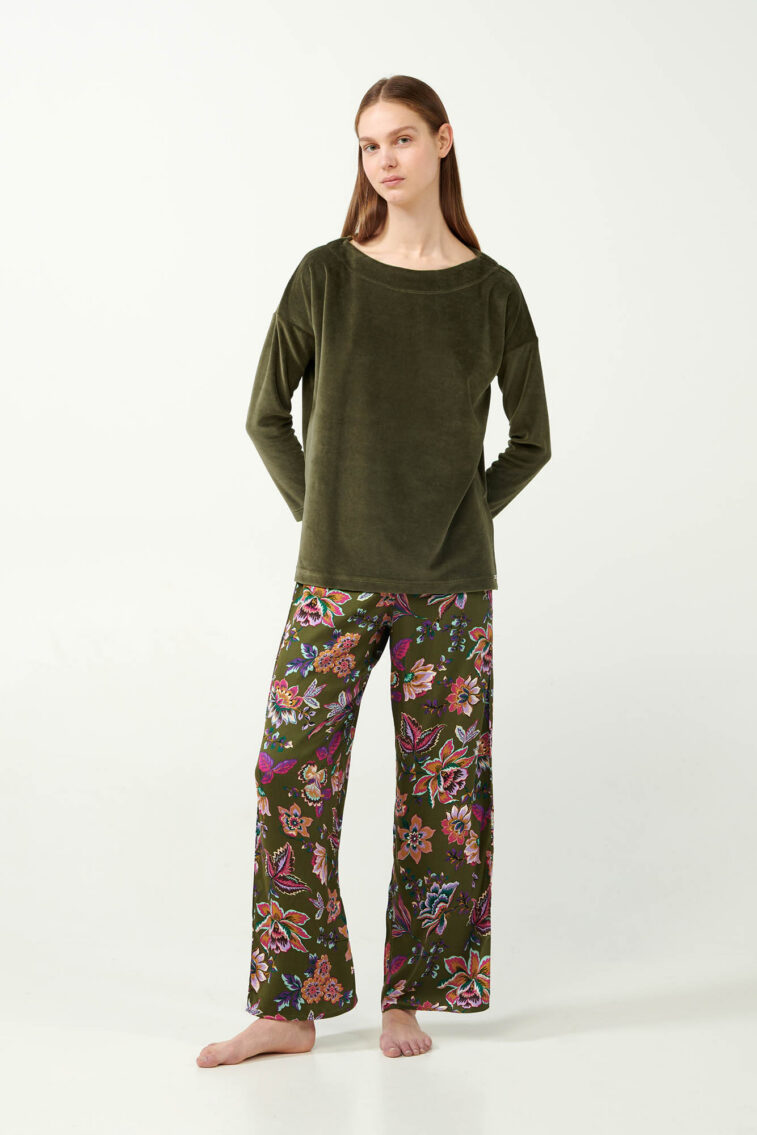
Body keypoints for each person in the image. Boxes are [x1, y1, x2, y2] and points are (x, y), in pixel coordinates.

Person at [197, 73, 551, 1067]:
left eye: (400, 138)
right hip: (335, 574)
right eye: (367, 144)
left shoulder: (491, 291)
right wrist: (328, 514)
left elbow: (532, 441)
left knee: (442, 792)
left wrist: (459, 516)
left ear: (442, 141)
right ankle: (289, 1005)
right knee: (289, 772)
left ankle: (410, 996)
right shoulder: (326, 276)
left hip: (451, 585)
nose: (383, 158)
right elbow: (265, 415)